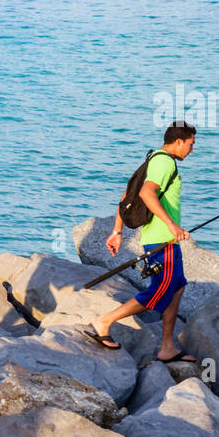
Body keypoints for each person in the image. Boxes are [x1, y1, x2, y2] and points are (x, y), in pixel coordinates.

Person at [87, 121, 199, 363]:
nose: (192, 150)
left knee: (177, 287)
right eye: (190, 144)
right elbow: (145, 193)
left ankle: (167, 347)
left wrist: (117, 231)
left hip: (164, 240)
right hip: (162, 241)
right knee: (159, 292)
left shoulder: (153, 158)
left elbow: (126, 196)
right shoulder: (165, 162)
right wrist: (172, 225)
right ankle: (104, 321)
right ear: (178, 141)